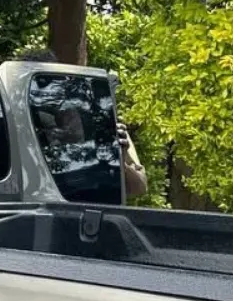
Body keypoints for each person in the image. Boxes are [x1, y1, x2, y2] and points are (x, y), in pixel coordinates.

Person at [14, 48, 148, 200]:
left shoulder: (99, 120)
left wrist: (118, 159)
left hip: (88, 210)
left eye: (49, 83)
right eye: (39, 85)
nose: (45, 93)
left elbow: (139, 187)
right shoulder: (11, 120)